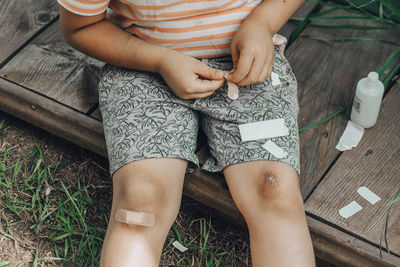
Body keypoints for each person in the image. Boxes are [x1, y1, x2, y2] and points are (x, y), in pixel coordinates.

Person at [58, 0, 315, 266]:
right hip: (142, 64)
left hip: (248, 63)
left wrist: (262, 23)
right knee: (139, 200)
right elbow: (80, 28)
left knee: (274, 190)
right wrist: (160, 60)